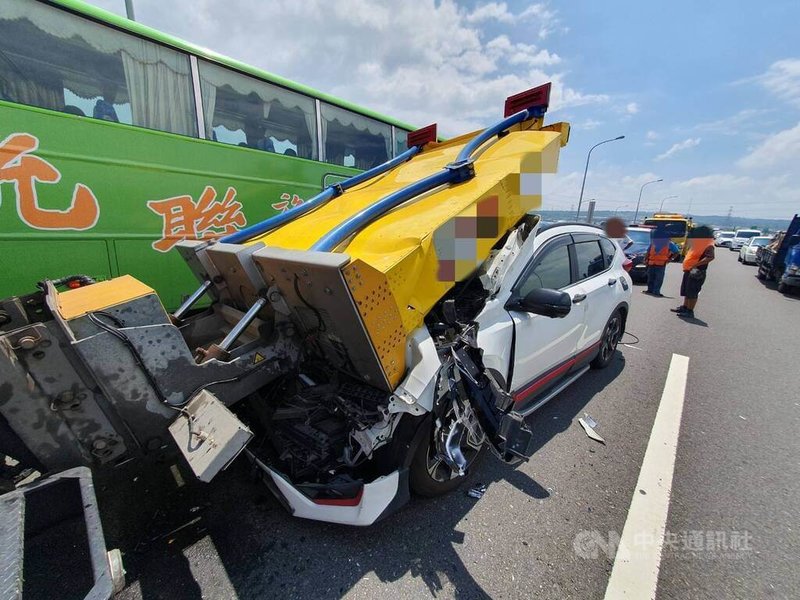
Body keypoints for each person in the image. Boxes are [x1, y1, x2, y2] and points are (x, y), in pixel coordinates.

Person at [671, 225, 715, 318]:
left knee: (692, 291)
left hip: (697, 271)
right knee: (687, 290)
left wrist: (696, 265)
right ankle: (685, 307)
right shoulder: (699, 243)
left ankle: (690, 311)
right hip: (689, 270)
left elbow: (710, 257)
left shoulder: (709, 245)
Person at [643, 231, 679, 296]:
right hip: (651, 263)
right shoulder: (654, 242)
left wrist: (671, 259)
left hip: (661, 264)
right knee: (650, 277)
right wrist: (645, 259)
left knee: (658, 279)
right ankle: (650, 290)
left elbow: (676, 252)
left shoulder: (669, 243)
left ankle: (656, 292)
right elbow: (648, 251)